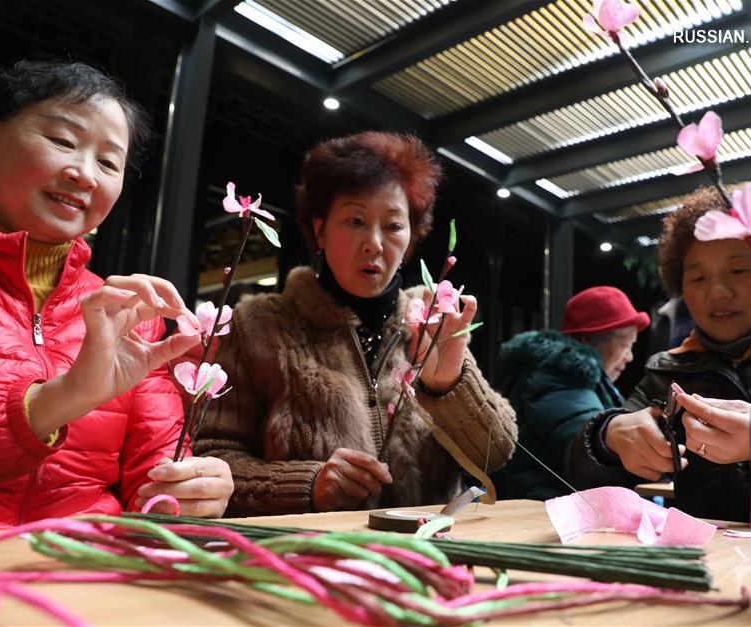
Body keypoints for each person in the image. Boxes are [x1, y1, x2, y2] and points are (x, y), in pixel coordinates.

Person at [0, 60, 234, 528]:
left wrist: (187, 487)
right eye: (63, 141)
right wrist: (69, 394)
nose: (85, 174)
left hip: (82, 567)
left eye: (108, 162)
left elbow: (153, 473)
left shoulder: (127, 313)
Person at [194, 131, 517, 515]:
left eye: (394, 225)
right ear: (320, 231)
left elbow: (496, 453)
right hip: (309, 561)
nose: (375, 243)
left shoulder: (434, 322)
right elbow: (212, 458)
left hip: (428, 556)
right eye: (355, 220)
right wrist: (308, 486)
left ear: (413, 235)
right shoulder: (259, 325)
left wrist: (449, 385)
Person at [566, 186, 751, 521]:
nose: (717, 292)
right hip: (704, 566)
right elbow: (579, 475)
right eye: (697, 277)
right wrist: (609, 437)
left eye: (738, 270)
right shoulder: (672, 369)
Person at [493, 286, 649, 500]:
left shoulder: (576, 378)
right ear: (587, 340)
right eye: (625, 345)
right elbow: (590, 450)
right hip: (544, 513)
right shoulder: (558, 376)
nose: (629, 357)